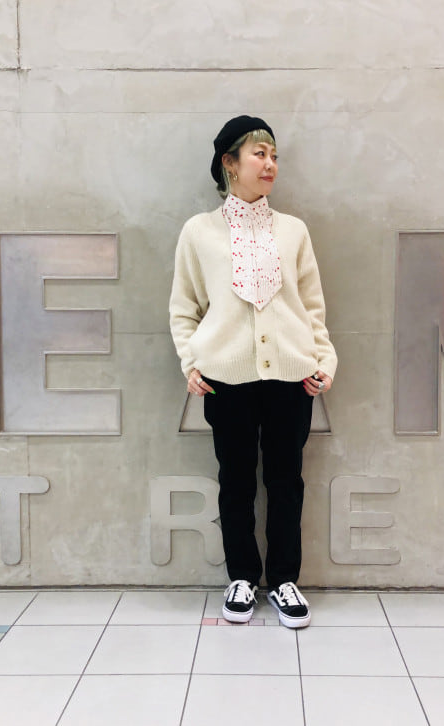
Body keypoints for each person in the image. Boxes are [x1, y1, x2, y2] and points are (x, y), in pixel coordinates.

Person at [169, 115, 337, 628]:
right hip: (225, 378)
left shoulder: (293, 231)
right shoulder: (199, 231)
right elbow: (184, 308)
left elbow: (312, 306)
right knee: (236, 481)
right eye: (259, 154)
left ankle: (284, 581)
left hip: (291, 375)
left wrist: (323, 360)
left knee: (286, 482)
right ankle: (241, 577)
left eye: (274, 156)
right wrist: (191, 362)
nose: (270, 165)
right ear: (230, 163)